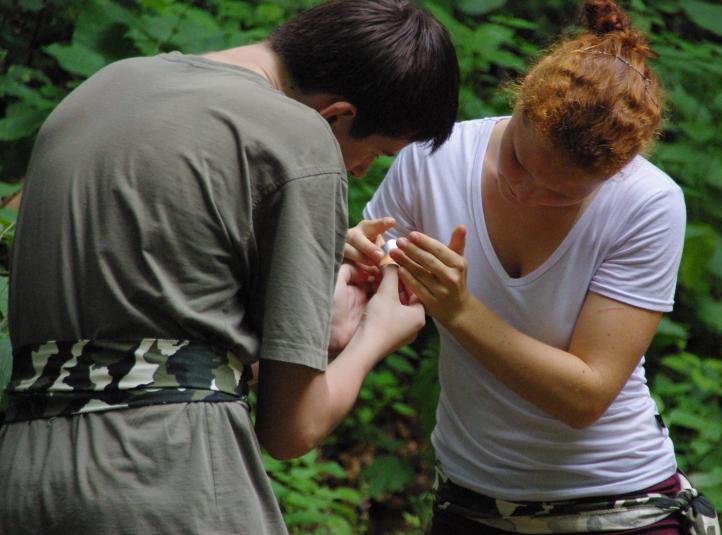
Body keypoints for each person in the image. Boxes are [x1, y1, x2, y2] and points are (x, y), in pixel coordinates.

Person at [0, 1, 458, 534]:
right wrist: (375, 335)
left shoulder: (103, 88)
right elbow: (290, 429)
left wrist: (319, 320)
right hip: (168, 476)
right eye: (374, 155)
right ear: (338, 115)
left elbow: (159, 327)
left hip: (23, 471)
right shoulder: (301, 137)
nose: (356, 173)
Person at [347, 1, 720, 533]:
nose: (524, 191)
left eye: (560, 195)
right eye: (518, 163)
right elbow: (368, 293)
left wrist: (460, 310)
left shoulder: (648, 203)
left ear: (614, 173)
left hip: (617, 504)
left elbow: (585, 396)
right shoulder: (435, 159)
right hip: (470, 498)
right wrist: (354, 258)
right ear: (520, 101)